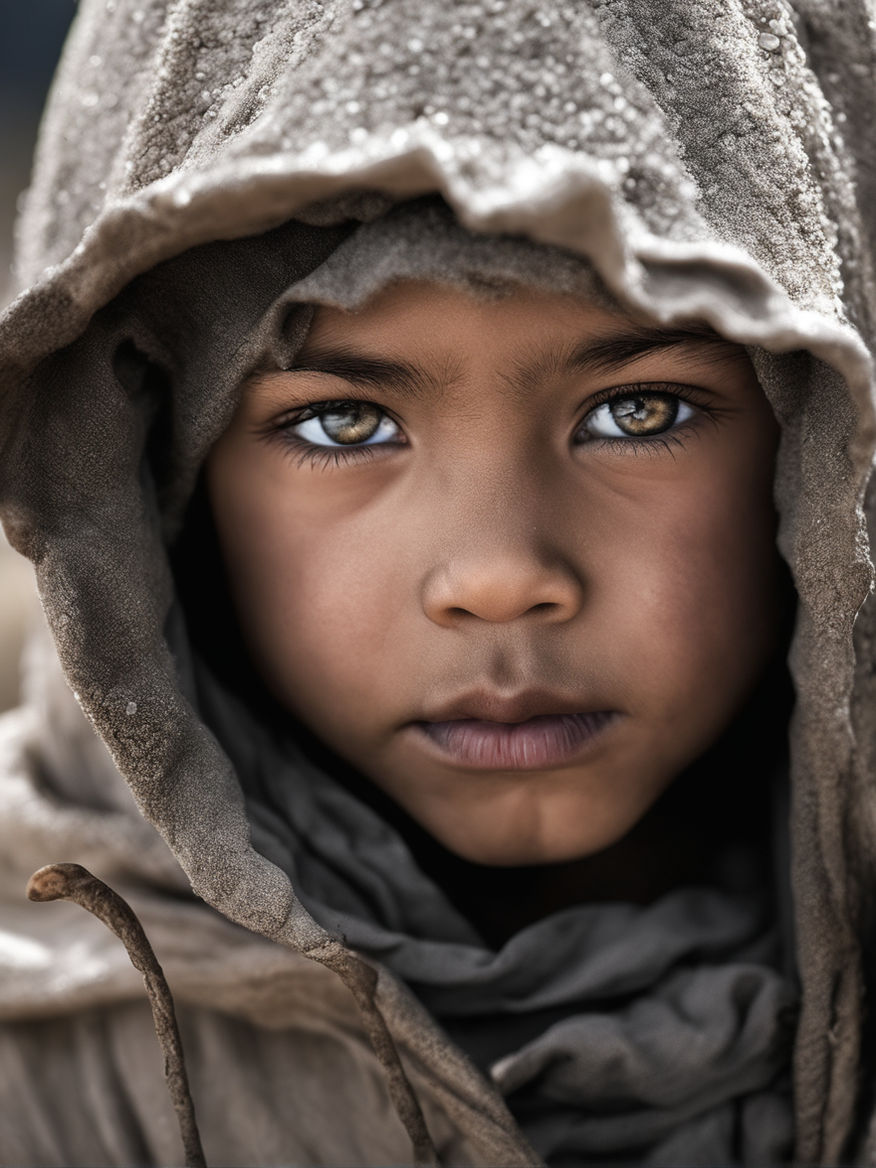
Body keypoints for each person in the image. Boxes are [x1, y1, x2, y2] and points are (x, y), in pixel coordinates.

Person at [0, 0, 874, 1164]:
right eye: (346, 421)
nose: (502, 577)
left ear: (824, 442)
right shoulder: (39, 1093)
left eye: (638, 410)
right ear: (148, 469)